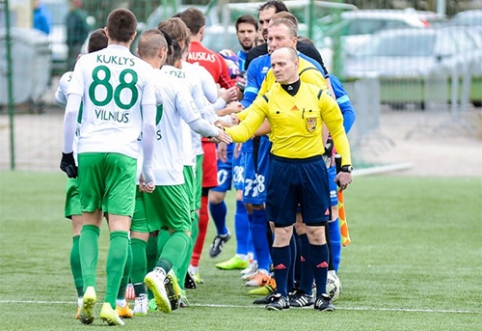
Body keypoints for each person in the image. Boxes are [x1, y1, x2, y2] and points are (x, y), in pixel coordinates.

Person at [225, 46, 353, 311]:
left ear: (296, 65)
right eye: (273, 65)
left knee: (316, 231)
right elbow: (246, 129)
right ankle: (282, 294)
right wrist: (222, 131)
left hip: (312, 169)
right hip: (281, 169)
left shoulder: (318, 95)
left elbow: (338, 130)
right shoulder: (268, 98)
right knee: (281, 231)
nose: (276, 69)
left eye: (282, 64)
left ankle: (320, 296)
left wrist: (347, 165)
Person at [60, 8, 157, 326]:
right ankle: (110, 303)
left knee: (89, 222)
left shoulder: (85, 63)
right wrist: (148, 167)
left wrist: (66, 152)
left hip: (89, 149)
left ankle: (87, 288)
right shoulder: (143, 70)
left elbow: (72, 109)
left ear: (106, 30)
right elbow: (148, 123)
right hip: (124, 153)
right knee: (121, 228)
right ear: (134, 35)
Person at [133, 30, 232, 315]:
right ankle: (161, 273)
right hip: (169, 171)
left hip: (136, 169)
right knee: (180, 230)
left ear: (139, 53)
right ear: (164, 53)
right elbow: (196, 122)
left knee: (140, 233)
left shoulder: (132, 82)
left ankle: (139, 299)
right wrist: (218, 133)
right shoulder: (174, 84)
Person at [178, 7, 237, 284]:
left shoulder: (162, 58)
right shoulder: (214, 60)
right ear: (202, 29)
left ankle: (161, 268)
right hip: (205, 142)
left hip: (170, 141)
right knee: (199, 205)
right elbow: (230, 94)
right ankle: (192, 266)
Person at [55, 28, 107, 320]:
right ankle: (122, 294)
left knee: (81, 231)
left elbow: (62, 98)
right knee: (121, 229)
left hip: (79, 160)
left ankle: (81, 295)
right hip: (117, 157)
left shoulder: (71, 76)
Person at [65, 0, 89, 70]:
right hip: (70, 43)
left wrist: (80, 41)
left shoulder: (80, 15)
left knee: (74, 62)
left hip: (76, 43)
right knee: (70, 62)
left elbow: (85, 29)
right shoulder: (70, 15)